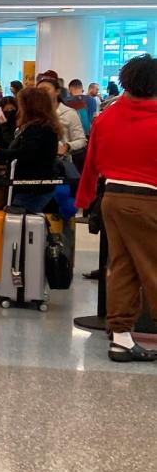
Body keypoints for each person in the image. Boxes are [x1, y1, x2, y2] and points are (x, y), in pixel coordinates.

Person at [76, 54, 157, 362]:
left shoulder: (108, 116)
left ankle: (121, 338)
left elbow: (91, 161)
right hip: (149, 200)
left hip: (113, 198)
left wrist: (84, 200)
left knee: (121, 267)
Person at [0, 88, 63, 213]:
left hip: (32, 188)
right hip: (35, 186)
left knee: (20, 225)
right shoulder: (45, 126)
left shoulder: (36, 128)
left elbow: (26, 153)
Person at [36, 77, 87, 160]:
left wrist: (67, 146)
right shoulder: (34, 113)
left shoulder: (69, 113)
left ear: (57, 91)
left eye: (46, 89)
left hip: (60, 162)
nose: (42, 93)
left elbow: (81, 140)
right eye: (38, 91)